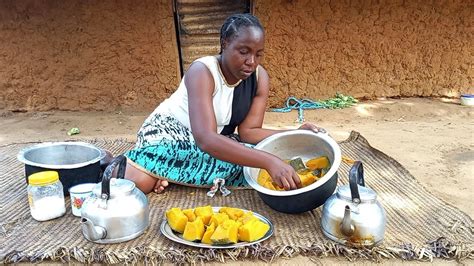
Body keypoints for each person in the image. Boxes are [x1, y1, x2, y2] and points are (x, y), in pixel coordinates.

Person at [117, 13, 323, 194]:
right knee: (139, 183)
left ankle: (164, 171)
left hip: (213, 139)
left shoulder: (260, 78)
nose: (252, 61)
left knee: (259, 157)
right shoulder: (203, 71)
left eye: (258, 54)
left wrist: (296, 133)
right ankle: (119, 164)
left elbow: (249, 133)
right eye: (244, 51)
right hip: (167, 133)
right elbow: (206, 139)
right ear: (225, 44)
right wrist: (269, 161)